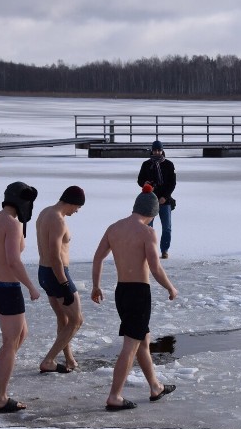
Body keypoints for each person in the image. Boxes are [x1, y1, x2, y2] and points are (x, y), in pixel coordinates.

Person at [91, 184, 178, 411]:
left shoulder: (114, 228)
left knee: (143, 341)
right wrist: (171, 288)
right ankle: (114, 396)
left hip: (122, 291)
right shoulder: (147, 232)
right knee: (131, 345)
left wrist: (96, 286)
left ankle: (155, 386)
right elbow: (155, 267)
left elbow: (98, 258)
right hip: (139, 293)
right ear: (151, 213)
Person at [0, 182, 41, 413]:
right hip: (7, 288)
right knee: (10, 342)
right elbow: (13, 260)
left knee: (20, 335)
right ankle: (0, 398)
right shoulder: (12, 224)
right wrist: (31, 286)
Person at [35, 185, 85, 374]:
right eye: (77, 207)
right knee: (77, 320)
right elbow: (55, 255)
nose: (77, 211)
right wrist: (64, 283)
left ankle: (69, 359)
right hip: (56, 273)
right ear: (71, 202)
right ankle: (49, 360)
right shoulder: (58, 220)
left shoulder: (44, 212)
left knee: (64, 318)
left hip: (44, 272)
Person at [137, 140, 176, 259]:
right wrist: (145, 183)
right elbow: (139, 180)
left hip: (165, 201)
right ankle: (150, 250)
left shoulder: (169, 165)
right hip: (150, 201)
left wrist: (165, 197)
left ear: (162, 151)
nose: (157, 152)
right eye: (155, 150)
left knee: (167, 228)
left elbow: (172, 183)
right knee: (149, 228)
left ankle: (164, 250)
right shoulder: (146, 164)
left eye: (159, 150)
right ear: (152, 150)